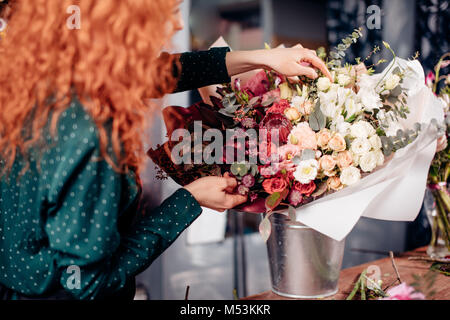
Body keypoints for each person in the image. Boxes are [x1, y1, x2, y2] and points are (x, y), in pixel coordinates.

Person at [0, 0, 331, 300]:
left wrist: (261, 58)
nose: (176, 26)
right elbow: (89, 283)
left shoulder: (34, 72)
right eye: (168, 13)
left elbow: (158, 73)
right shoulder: (90, 131)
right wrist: (190, 200)